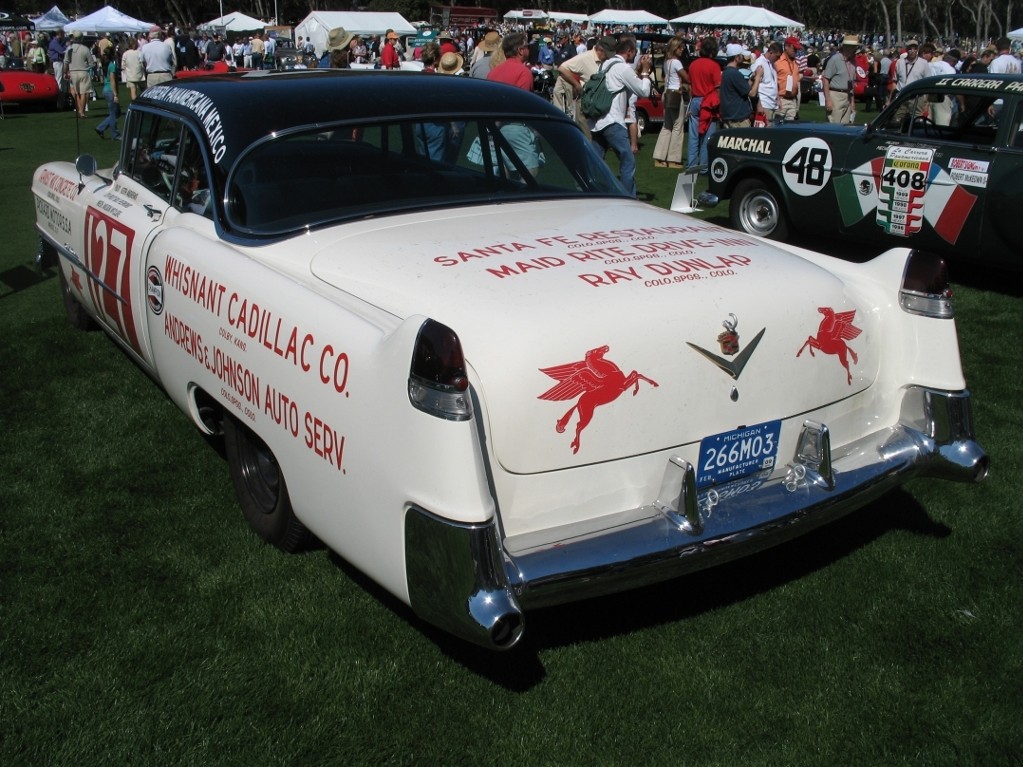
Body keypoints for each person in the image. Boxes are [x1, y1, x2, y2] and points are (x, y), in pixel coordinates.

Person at [588, 35, 653, 198]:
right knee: (627, 160)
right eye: (635, 52)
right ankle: (628, 198)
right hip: (613, 121)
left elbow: (623, 84)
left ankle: (591, 192)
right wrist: (645, 72)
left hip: (596, 121)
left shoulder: (605, 65)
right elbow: (643, 91)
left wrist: (637, 70)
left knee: (595, 162)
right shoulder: (622, 68)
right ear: (629, 52)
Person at [554, 40, 605, 137]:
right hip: (582, 95)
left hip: (595, 101)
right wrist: (576, 85)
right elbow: (562, 68)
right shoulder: (583, 56)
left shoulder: (571, 48)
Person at [687, 36, 722, 173]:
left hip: (695, 100)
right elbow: (718, 89)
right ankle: (704, 166)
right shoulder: (714, 66)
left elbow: (690, 86)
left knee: (693, 136)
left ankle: (691, 165)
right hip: (708, 102)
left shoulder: (693, 65)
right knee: (707, 137)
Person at [652, 37, 689, 168]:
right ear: (675, 48)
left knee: (667, 126)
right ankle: (673, 159)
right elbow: (686, 77)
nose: (682, 49)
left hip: (666, 93)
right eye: (680, 47)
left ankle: (659, 157)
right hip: (675, 94)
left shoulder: (667, 62)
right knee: (678, 126)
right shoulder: (677, 63)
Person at [720, 44, 761, 128]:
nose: (743, 58)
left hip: (730, 117)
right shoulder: (734, 74)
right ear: (737, 58)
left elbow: (744, 89)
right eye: (742, 56)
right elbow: (752, 94)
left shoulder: (726, 72)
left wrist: (752, 79)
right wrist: (758, 77)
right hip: (738, 120)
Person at [822, 35, 858, 124]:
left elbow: (851, 84)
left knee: (846, 127)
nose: (854, 49)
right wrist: (828, 100)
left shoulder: (853, 62)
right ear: (845, 47)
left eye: (855, 47)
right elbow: (825, 79)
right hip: (835, 95)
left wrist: (852, 102)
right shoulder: (835, 59)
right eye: (852, 47)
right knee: (834, 126)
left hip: (847, 96)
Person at [64, 31, 95, 118]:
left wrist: (65, 72)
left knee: (77, 93)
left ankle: (80, 110)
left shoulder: (69, 49)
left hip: (73, 73)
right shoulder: (85, 49)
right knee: (84, 93)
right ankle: (82, 111)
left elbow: (66, 62)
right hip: (83, 72)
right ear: (81, 38)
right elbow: (92, 63)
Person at [95, 48, 121, 140]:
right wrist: (115, 95)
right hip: (110, 90)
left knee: (117, 112)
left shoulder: (105, 64)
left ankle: (101, 127)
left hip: (106, 90)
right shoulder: (112, 66)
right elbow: (112, 80)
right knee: (114, 114)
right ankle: (115, 134)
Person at [753, 41, 781, 123]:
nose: (778, 59)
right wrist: (759, 104)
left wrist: (778, 99)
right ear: (771, 53)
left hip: (773, 104)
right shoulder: (759, 63)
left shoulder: (772, 64)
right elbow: (755, 85)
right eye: (777, 56)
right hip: (764, 104)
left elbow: (774, 84)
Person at [775, 36, 802, 121]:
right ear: (786, 46)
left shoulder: (795, 63)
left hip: (792, 100)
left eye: (797, 49)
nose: (795, 51)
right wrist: (777, 98)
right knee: (778, 126)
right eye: (793, 48)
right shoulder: (778, 62)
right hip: (781, 99)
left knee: (790, 128)